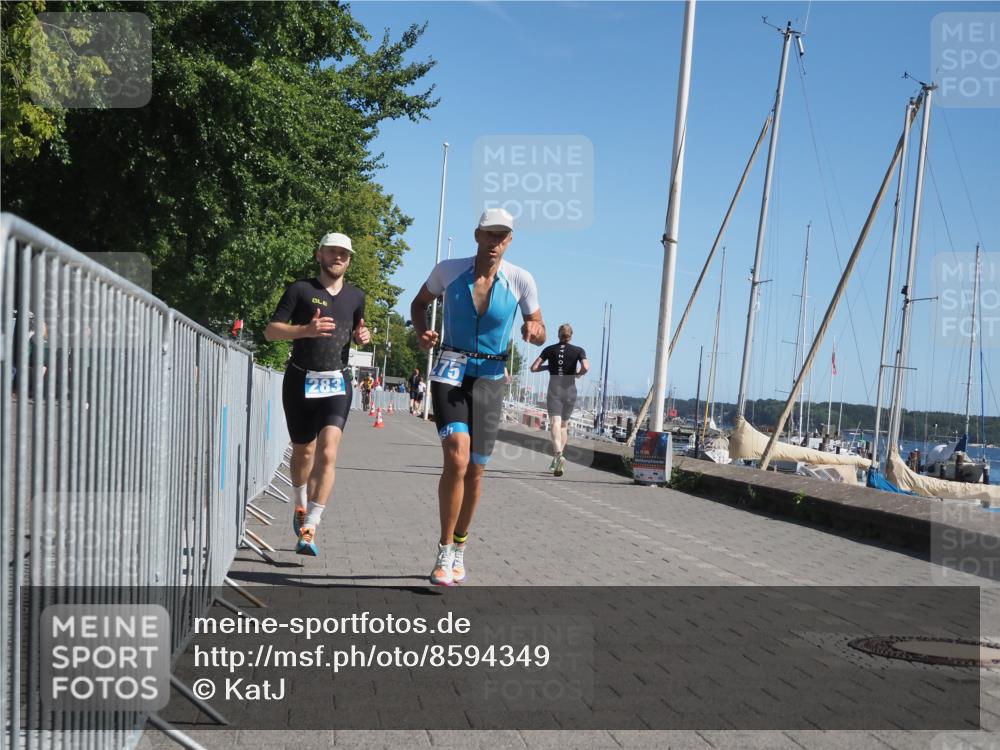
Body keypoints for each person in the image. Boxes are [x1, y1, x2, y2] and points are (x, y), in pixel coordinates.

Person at [410, 208, 545, 586]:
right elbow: (418, 304)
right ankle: (443, 551)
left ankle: (460, 545)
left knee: (476, 469)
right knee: (457, 455)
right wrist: (422, 332)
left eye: (502, 236)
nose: (495, 242)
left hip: (490, 378)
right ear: (477, 235)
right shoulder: (448, 270)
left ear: (510, 240)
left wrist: (534, 329)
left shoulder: (520, 279)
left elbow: (540, 325)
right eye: (489, 234)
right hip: (450, 371)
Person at [264, 232, 370, 556]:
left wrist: (363, 335)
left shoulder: (356, 296)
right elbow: (270, 331)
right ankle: (299, 505)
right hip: (300, 380)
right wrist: (305, 330)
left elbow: (358, 330)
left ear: (349, 260)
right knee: (304, 453)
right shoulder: (301, 290)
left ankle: (310, 525)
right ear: (319, 255)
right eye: (333, 252)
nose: (339, 257)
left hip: (336, 382)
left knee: (328, 452)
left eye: (345, 254)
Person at [530, 323, 588, 477]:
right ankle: (558, 460)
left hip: (554, 389)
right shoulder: (578, 350)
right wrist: (579, 373)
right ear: (571, 335)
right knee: (563, 426)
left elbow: (534, 367)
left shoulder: (549, 349)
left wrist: (548, 367)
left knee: (554, 423)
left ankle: (558, 454)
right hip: (570, 390)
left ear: (558, 335)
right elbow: (586, 367)